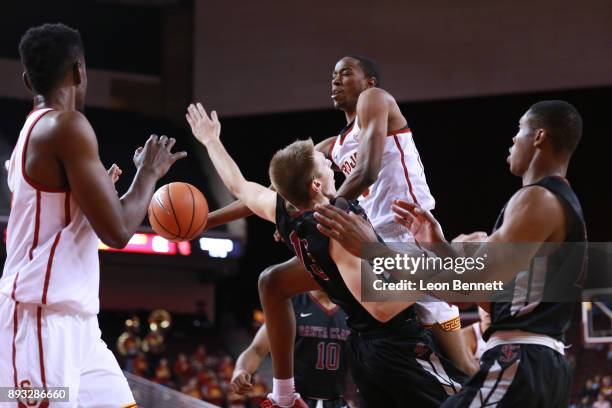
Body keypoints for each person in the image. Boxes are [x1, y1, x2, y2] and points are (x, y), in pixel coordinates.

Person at [199, 55, 476, 406]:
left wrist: (323, 215)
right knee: (273, 282)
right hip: (362, 244)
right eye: (332, 75)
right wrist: (205, 220)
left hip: (409, 237)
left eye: (346, 73)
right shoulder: (330, 147)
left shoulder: (374, 101)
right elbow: (274, 192)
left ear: (370, 81)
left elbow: (368, 170)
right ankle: (284, 394)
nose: (336, 80)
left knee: (462, 363)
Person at [313, 100, 587, 407]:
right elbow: (489, 296)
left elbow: (461, 291)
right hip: (540, 364)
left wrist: (373, 251)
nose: (513, 139)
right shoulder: (551, 201)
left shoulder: (537, 200)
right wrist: (438, 247)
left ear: (539, 137)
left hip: (520, 360)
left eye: (520, 130)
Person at [0, 23, 186, 407]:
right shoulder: (67, 126)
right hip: (38, 324)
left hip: (77, 326)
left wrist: (101, 194)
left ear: (26, 79)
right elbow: (117, 231)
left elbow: (77, 218)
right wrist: (148, 174)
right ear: (79, 70)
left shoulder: (33, 132)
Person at [231, 290, 350, 408]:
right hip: (292, 400)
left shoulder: (353, 307)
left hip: (338, 400)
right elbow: (256, 349)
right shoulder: (291, 303)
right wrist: (241, 370)